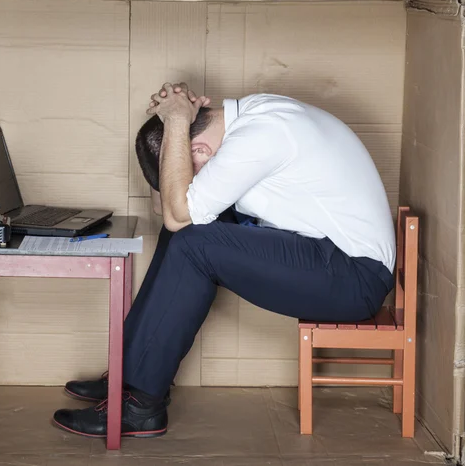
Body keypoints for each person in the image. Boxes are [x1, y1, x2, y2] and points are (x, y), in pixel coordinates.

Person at [52, 82, 396, 439]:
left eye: (188, 162)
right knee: (184, 229)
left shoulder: (261, 134)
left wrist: (174, 126)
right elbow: (167, 209)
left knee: (192, 240)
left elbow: (175, 211)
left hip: (353, 278)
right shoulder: (248, 117)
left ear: (198, 149)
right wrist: (173, 124)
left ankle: (141, 406)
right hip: (328, 257)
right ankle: (129, 373)